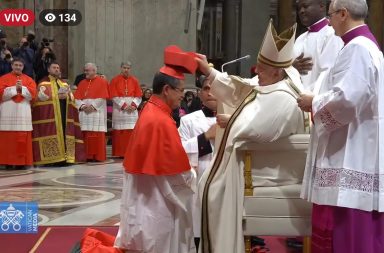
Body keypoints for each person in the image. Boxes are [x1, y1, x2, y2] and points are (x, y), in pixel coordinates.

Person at [196, 20, 308, 253]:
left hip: (274, 168)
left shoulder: (283, 97)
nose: (257, 72)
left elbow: (257, 130)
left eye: (262, 69)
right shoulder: (281, 78)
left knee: (211, 185)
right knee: (208, 180)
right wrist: (210, 71)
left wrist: (232, 121)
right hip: (271, 159)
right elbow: (245, 88)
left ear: (277, 71)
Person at [297, 1, 384, 252]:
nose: (330, 21)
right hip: (359, 149)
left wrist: (314, 103)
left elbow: (348, 99)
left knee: (351, 238)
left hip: (352, 156)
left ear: (343, 14)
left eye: (332, 14)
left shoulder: (357, 48)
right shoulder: (366, 46)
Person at [114, 45, 197, 253]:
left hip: (146, 201)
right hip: (156, 205)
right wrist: (193, 176)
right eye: (180, 90)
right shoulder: (160, 120)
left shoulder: (152, 110)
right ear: (167, 90)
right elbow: (174, 176)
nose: (182, 96)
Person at [178, 74, 218, 249]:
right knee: (198, 224)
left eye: (215, 88)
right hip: (199, 177)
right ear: (200, 93)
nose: (211, 93)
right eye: (207, 89)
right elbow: (178, 151)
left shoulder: (237, 119)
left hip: (226, 179)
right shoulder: (188, 120)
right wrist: (206, 137)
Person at [32, 62, 86, 166]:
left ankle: (65, 158)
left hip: (64, 114)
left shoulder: (64, 84)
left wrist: (67, 97)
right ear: (49, 70)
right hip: (51, 117)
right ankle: (52, 160)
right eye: (54, 68)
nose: (57, 69)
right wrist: (57, 97)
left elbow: (72, 99)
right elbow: (39, 99)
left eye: (58, 68)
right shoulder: (43, 84)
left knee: (65, 134)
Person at [293, 0, 343, 93]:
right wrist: (292, 68)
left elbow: (328, 73)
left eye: (305, 6)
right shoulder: (300, 38)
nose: (301, 11)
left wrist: (309, 97)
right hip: (297, 96)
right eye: (299, 8)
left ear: (321, 6)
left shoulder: (332, 34)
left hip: (316, 99)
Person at [0, 58, 36, 169]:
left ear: (23, 67)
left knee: (22, 137)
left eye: (20, 65)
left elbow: (33, 95)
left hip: (23, 112)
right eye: (16, 65)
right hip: (8, 111)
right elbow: (1, 93)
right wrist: (15, 89)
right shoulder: (3, 78)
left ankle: (22, 162)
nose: (18, 67)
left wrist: (23, 89)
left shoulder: (29, 79)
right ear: (11, 65)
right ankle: (8, 162)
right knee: (8, 139)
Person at [74, 63, 109, 162]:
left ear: (94, 71)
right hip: (85, 113)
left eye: (87, 70)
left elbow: (102, 98)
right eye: (85, 70)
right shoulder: (81, 83)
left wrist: (92, 106)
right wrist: (83, 106)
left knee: (96, 134)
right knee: (85, 133)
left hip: (96, 113)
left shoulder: (102, 82)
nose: (85, 72)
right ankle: (86, 156)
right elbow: (76, 98)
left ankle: (97, 156)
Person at [109, 61, 142, 157]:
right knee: (121, 132)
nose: (126, 70)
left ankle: (131, 152)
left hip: (132, 110)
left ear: (130, 69)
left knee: (131, 130)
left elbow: (139, 96)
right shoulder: (114, 80)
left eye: (128, 68)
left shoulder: (135, 80)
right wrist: (124, 106)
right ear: (121, 68)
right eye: (124, 68)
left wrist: (133, 105)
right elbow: (114, 96)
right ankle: (120, 153)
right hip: (120, 110)